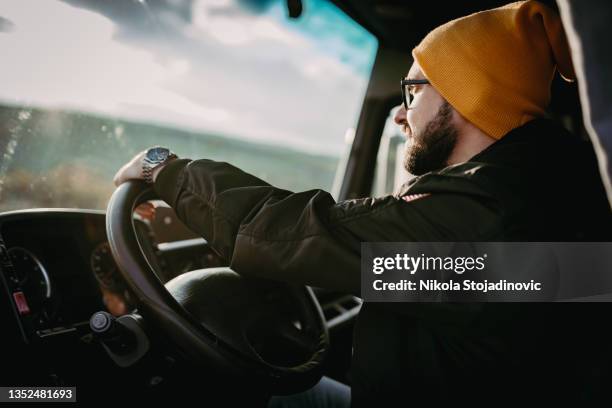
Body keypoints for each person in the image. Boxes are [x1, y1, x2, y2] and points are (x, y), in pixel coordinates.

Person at [114, 1, 612, 405]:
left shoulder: (484, 217)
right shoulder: (547, 189)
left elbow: (282, 235)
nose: (400, 113)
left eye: (413, 90)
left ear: (465, 96)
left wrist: (165, 169)